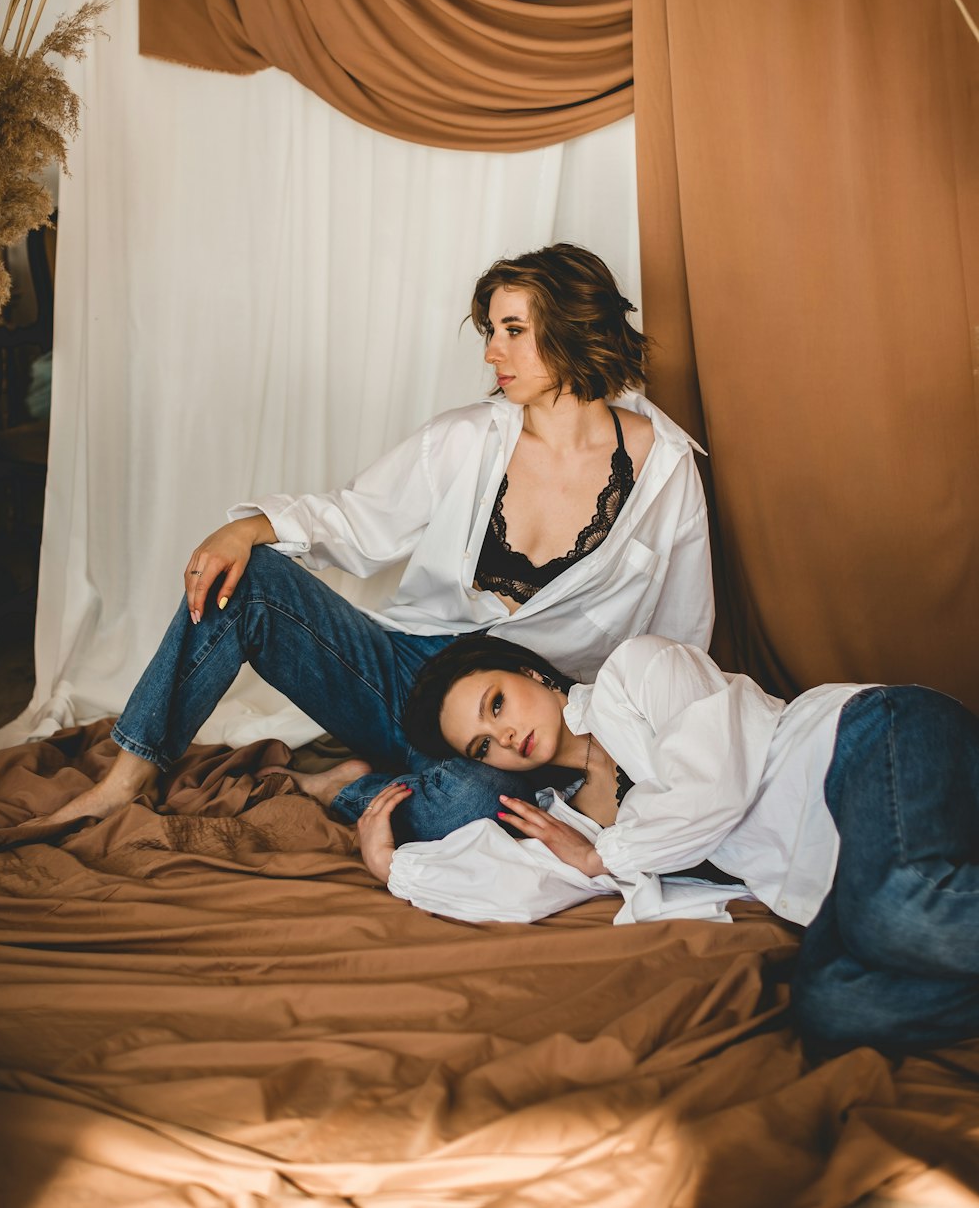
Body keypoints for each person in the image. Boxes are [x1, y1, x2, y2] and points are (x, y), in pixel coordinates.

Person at [47, 244, 714, 843]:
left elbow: (680, 638)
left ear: (573, 325)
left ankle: (346, 785)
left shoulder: (664, 474)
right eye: (490, 331)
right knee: (246, 579)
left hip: (511, 734)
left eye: (513, 329)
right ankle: (123, 779)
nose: (491, 352)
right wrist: (250, 527)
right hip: (404, 675)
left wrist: (637, 761)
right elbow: (358, 518)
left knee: (471, 810)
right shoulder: (468, 438)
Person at [357, 633, 979, 1057]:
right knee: (835, 1011)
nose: (505, 735)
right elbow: (520, 884)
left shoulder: (637, 671)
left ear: (528, 672)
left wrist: (605, 857)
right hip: (838, 870)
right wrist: (394, 867)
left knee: (892, 915)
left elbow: (715, 786)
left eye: (496, 705)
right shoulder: (572, 820)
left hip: (864, 741)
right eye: (482, 747)